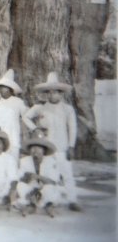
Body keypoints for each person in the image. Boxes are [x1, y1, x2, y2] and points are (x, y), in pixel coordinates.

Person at [22, 72, 81, 211]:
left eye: (55, 92)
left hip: (62, 146)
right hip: (46, 148)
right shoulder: (40, 107)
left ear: (61, 94)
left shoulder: (68, 109)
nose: (52, 95)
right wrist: (35, 128)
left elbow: (72, 128)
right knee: (46, 173)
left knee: (66, 173)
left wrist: (71, 146)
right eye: (48, 92)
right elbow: (25, 117)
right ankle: (43, 199)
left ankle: (72, 200)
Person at [0, 69, 28, 161]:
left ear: (10, 88)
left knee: (12, 163)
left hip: (13, 139)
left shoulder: (18, 102)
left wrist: (34, 128)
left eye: (5, 87)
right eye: (1, 87)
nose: (2, 89)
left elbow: (27, 117)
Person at [14, 137, 63, 216]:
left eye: (38, 148)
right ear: (29, 150)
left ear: (44, 150)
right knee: (20, 186)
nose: (35, 151)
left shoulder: (51, 161)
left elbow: (53, 181)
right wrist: (27, 177)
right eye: (33, 148)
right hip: (31, 189)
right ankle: (31, 205)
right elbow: (19, 178)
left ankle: (48, 205)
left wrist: (38, 177)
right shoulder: (24, 161)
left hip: (45, 189)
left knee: (50, 188)